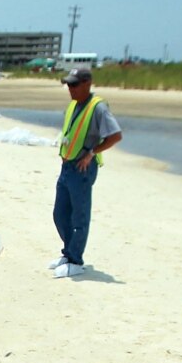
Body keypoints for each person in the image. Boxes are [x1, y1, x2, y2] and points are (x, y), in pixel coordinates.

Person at [50, 68, 122, 278]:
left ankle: (76, 260)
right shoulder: (73, 105)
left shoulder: (98, 107)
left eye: (74, 85)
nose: (70, 89)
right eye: (68, 85)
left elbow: (115, 135)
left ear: (87, 83)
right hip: (67, 166)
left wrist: (92, 153)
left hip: (82, 168)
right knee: (60, 214)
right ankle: (68, 251)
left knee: (79, 216)